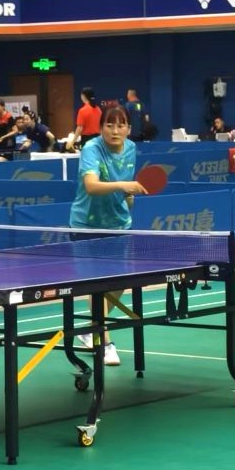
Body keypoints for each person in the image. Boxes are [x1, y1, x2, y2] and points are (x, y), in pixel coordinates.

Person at [69, 106, 147, 366]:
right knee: (97, 285)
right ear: (101, 128)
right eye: (109, 125)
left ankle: (90, 331)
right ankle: (104, 342)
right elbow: (91, 186)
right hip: (87, 226)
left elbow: (124, 187)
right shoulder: (91, 149)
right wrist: (124, 185)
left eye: (121, 125)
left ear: (129, 129)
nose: (115, 130)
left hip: (119, 225)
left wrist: (128, 196)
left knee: (120, 283)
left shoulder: (131, 148)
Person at [70, 87, 101, 151]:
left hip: (86, 140)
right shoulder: (99, 110)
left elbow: (79, 128)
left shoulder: (83, 110)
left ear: (83, 96)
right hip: (98, 140)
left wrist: (72, 142)